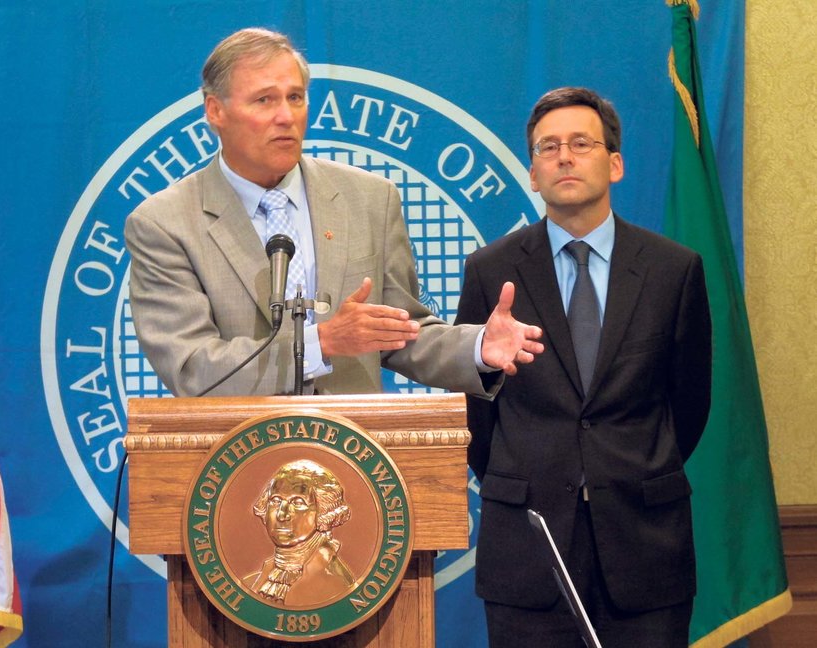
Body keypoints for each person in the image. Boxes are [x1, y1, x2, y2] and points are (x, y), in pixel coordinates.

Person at [124, 27, 543, 398]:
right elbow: (192, 368)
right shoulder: (166, 223)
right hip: (235, 460)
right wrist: (319, 342)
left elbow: (400, 333)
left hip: (353, 457)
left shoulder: (370, 199)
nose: (286, 117)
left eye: (295, 98)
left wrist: (477, 347)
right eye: (264, 100)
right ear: (216, 111)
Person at [455, 87, 712, 647]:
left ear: (614, 163)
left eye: (580, 143)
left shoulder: (674, 270)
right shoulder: (489, 271)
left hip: (646, 544)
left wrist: (623, 469)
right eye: (548, 148)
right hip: (529, 545)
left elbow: (689, 404)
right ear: (531, 172)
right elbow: (476, 411)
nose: (564, 157)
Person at [243, 460, 355, 606]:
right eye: (276, 500)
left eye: (298, 503)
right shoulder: (251, 583)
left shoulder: (337, 585)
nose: (282, 515)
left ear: (323, 513)